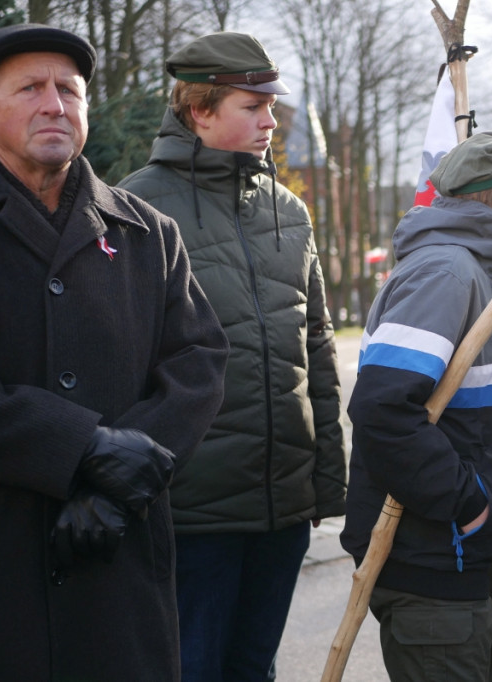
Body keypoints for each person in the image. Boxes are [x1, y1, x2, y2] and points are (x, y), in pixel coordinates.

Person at [0, 24, 228, 681]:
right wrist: (84, 446)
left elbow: (198, 363)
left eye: (69, 91)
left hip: (118, 571)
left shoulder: (148, 233)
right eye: (30, 88)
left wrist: (118, 485)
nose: (54, 105)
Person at [118, 32, 346, 681]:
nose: (271, 121)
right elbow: (119, 366)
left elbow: (316, 346)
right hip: (190, 513)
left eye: (271, 105)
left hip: (283, 508)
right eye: (253, 106)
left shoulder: (289, 212)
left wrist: (326, 479)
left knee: (255, 669)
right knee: (192, 669)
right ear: (200, 110)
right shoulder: (133, 208)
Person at [340, 130, 492, 682]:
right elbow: (383, 411)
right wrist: (472, 509)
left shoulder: (467, 270)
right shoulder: (447, 273)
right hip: (432, 560)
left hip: (444, 554)